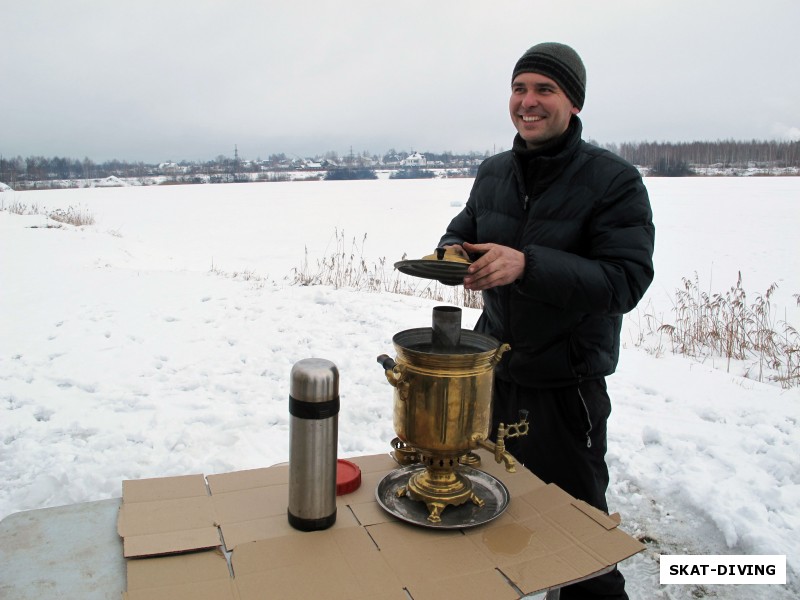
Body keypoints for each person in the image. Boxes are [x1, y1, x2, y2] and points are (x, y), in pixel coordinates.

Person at [439, 42, 655, 600]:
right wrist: (448, 256)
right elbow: (460, 231)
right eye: (519, 88)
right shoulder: (493, 173)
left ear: (573, 103)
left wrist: (527, 265)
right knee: (487, 505)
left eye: (544, 90)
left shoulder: (614, 180)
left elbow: (624, 281)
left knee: (580, 536)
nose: (527, 102)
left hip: (565, 386)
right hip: (493, 378)